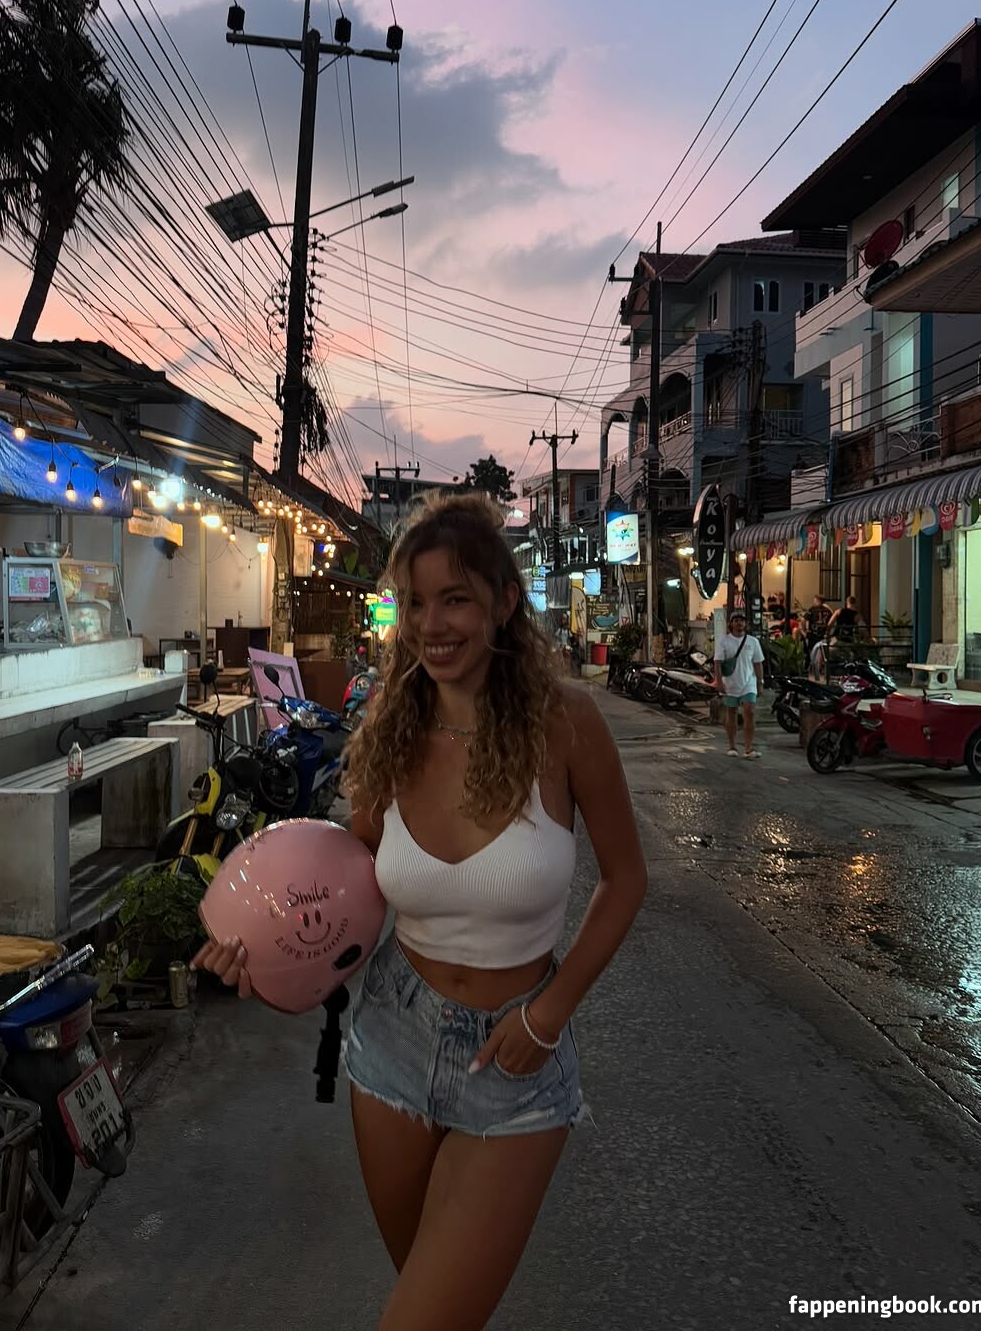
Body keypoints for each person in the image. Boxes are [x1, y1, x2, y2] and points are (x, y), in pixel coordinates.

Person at [193, 493, 648, 1331]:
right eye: (414, 603)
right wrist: (262, 949)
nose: (431, 625)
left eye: (455, 599)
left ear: (503, 602)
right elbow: (346, 882)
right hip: (393, 1043)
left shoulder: (567, 724)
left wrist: (549, 1014)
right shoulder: (393, 729)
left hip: (517, 1058)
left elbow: (626, 882)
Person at [714, 609, 766, 759]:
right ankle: (732, 746)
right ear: (731, 624)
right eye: (736, 620)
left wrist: (760, 683)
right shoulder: (724, 641)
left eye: (742, 620)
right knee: (732, 712)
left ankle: (748, 748)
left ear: (746, 624)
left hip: (749, 682)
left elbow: (758, 663)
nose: (739, 623)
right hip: (730, 683)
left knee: (749, 711)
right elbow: (717, 663)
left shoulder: (753, 642)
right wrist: (719, 681)